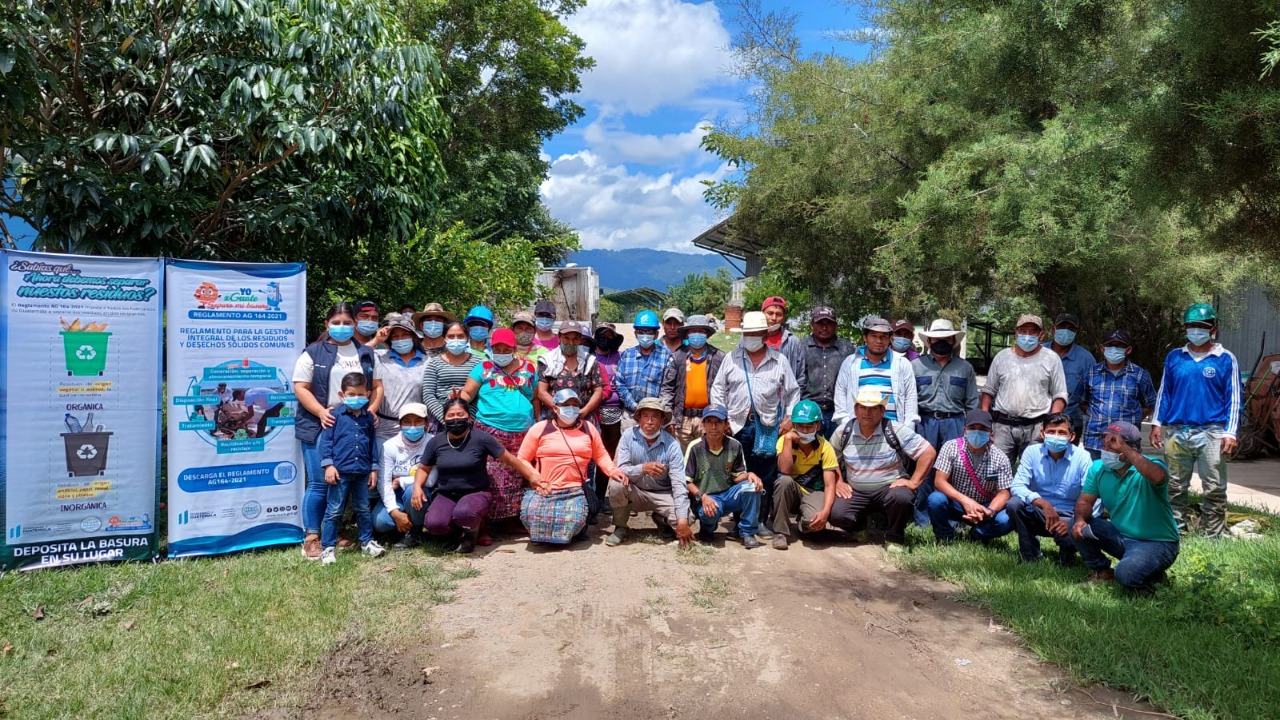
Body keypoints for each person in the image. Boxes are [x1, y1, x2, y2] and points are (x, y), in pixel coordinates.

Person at [293, 302, 385, 560]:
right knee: (321, 481)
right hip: (320, 422)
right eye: (337, 322)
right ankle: (312, 537)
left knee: (345, 481)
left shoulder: (366, 353)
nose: (342, 327)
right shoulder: (312, 352)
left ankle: (333, 533)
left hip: (355, 422)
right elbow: (301, 387)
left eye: (347, 322)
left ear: (354, 324)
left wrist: (371, 411)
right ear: (327, 324)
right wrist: (321, 412)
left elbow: (376, 387)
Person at [1150, 303, 1242, 537]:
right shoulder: (1175, 357)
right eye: (1192, 326)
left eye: (1203, 326)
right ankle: (1175, 533)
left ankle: (1212, 535)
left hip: (1212, 432)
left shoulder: (1225, 359)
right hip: (1178, 432)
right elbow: (1165, 392)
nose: (1197, 331)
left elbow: (1234, 398)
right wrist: (1157, 423)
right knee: (1174, 487)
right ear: (1185, 328)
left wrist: (1230, 432)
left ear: (1214, 328)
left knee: (1214, 488)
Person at [710, 310, 801, 539]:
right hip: (737, 426)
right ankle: (740, 522)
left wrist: (789, 418)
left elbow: (792, 391)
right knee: (739, 474)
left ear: (764, 334)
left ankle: (760, 520)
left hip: (768, 426)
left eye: (755, 333)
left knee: (766, 476)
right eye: (747, 333)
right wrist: (722, 419)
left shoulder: (779, 360)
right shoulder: (732, 358)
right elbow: (719, 389)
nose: (751, 337)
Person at [412, 398, 541, 553]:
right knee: (434, 524)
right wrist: (417, 487)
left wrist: (532, 476)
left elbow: (510, 459)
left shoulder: (481, 438)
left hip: (476, 492)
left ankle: (470, 534)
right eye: (451, 415)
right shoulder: (436, 442)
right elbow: (424, 468)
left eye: (460, 414)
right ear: (444, 419)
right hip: (446, 494)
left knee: (465, 513)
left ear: (469, 417)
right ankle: (454, 533)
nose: (455, 419)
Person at [1073, 421, 1178, 590]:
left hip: (1158, 543)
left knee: (1126, 575)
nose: (1105, 450)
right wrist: (1079, 520)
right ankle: (1102, 572)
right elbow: (1085, 501)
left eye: (1113, 445)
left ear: (1130, 448)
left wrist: (1127, 450)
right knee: (1076, 523)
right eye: (1104, 444)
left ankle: (1152, 576)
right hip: (1121, 537)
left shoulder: (1151, 465)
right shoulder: (1098, 468)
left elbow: (1158, 477)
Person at [829, 388, 935, 549]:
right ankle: (859, 528)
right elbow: (830, 459)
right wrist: (839, 481)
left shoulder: (895, 429)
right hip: (855, 490)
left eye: (873, 408)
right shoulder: (843, 432)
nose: (867, 412)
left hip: (889, 488)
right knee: (835, 513)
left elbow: (928, 453)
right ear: (855, 410)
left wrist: (913, 482)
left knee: (902, 498)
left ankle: (895, 538)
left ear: (882, 411)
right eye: (863, 407)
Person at [518, 389, 627, 544]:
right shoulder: (540, 428)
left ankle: (574, 531)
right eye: (566, 404)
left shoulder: (589, 428)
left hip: (575, 490)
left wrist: (613, 471)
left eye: (574, 405)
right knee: (530, 516)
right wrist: (534, 478)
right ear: (555, 408)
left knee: (574, 521)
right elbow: (522, 458)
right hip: (545, 489)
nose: (571, 408)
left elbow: (601, 455)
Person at [459, 327, 540, 532]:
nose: (501, 352)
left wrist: (538, 424)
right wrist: (459, 404)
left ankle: (513, 521)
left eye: (506, 348)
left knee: (518, 476)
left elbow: (536, 397)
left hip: (523, 432)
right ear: (491, 348)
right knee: (491, 477)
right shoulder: (483, 368)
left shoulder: (529, 369)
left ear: (514, 348)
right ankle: (485, 525)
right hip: (490, 431)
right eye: (497, 348)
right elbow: (468, 392)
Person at [911, 318, 980, 526]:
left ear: (952, 340)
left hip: (955, 423)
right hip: (925, 421)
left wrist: (973, 428)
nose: (941, 342)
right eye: (936, 339)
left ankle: (954, 520)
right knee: (924, 468)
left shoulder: (965, 368)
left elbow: (972, 403)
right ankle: (922, 520)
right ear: (929, 341)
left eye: (946, 338)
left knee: (955, 469)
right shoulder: (915, 366)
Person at [317, 372, 386, 565]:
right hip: (340, 472)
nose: (356, 399)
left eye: (360, 394)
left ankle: (367, 543)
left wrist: (373, 467)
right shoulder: (334, 416)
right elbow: (326, 443)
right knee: (334, 510)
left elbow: (372, 443)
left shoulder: (368, 418)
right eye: (351, 394)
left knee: (363, 508)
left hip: (362, 471)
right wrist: (328, 465)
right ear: (342, 395)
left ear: (368, 394)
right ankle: (328, 548)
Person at [980, 313, 1067, 464]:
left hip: (1036, 427)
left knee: (1034, 471)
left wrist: (1051, 426)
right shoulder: (1002, 357)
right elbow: (989, 391)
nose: (1027, 335)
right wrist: (984, 421)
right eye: (1023, 330)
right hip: (1003, 426)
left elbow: (1059, 395)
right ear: (1016, 333)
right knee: (995, 470)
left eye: (1033, 331)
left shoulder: (1051, 359)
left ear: (1041, 335)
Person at [606, 398, 693, 547]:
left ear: (662, 420)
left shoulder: (672, 444)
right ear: (639, 418)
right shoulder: (628, 436)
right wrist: (642, 469)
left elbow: (679, 482)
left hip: (662, 494)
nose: (650, 421)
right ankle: (620, 527)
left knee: (688, 518)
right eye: (645, 416)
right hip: (635, 491)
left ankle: (661, 519)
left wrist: (683, 521)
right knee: (616, 484)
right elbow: (620, 468)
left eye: (655, 417)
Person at [1008, 413, 1094, 563]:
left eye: (1062, 433)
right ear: (1042, 433)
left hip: (1069, 516)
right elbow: (1017, 485)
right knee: (1014, 504)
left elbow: (1094, 495)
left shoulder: (1082, 457)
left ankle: (1067, 554)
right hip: (1041, 513)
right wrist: (1043, 503)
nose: (1056, 436)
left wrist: (1076, 521)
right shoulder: (1032, 452)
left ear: (1072, 436)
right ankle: (1030, 556)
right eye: (1051, 432)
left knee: (1070, 539)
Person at [927, 409, 1015, 543]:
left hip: (984, 507)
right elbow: (939, 482)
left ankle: (979, 534)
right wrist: (966, 501)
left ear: (991, 433)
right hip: (957, 503)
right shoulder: (950, 447)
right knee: (935, 499)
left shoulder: (1000, 458)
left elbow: (1004, 492)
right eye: (972, 428)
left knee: (1006, 520)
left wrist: (990, 511)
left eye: (983, 429)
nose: (977, 432)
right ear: (964, 430)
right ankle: (944, 537)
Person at [684, 404, 764, 548]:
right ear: (703, 425)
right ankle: (707, 530)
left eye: (718, 422)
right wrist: (703, 497)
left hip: (728, 494)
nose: (714, 426)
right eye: (709, 422)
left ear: (726, 424)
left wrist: (749, 475)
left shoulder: (735, 445)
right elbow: (687, 481)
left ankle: (747, 532)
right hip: (707, 497)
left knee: (752, 487)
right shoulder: (695, 447)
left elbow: (736, 476)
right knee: (709, 514)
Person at [769, 400, 839, 550]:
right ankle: (780, 532)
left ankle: (804, 522)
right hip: (792, 491)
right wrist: (788, 440)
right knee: (783, 481)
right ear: (794, 426)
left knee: (814, 526)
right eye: (801, 426)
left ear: (818, 426)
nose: (805, 431)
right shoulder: (784, 441)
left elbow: (829, 484)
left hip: (813, 492)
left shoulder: (825, 447)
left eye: (809, 427)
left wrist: (825, 511)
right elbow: (784, 470)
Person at [1077, 329, 1156, 460]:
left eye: (1119, 346)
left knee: (1125, 478)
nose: (1114, 349)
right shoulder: (1090, 374)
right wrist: (1096, 415)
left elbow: (1150, 404)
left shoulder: (1140, 375)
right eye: (1110, 345)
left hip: (1127, 443)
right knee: (1095, 476)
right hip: (1095, 442)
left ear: (1128, 350)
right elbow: (1083, 402)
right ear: (1103, 349)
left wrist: (1133, 418)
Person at [833, 316, 919, 429]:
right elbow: (840, 393)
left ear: (890, 339)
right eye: (874, 336)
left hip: (894, 429)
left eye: (883, 337)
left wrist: (907, 428)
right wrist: (846, 424)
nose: (879, 341)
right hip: (858, 430)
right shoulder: (850, 363)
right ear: (865, 337)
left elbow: (910, 397)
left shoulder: (902, 364)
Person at [659, 314, 725, 449]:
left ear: (707, 333)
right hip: (682, 420)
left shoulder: (718, 357)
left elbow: (726, 389)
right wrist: (668, 417)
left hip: (708, 419)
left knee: (707, 459)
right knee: (683, 462)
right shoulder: (677, 357)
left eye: (701, 331)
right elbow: (667, 388)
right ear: (687, 333)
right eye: (693, 331)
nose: (697, 334)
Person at [375, 403, 432, 549]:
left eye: (418, 421)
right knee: (380, 522)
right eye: (407, 422)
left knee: (412, 490)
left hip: (422, 492)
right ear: (400, 424)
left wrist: (401, 481)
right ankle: (403, 524)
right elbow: (384, 482)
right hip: (397, 495)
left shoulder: (433, 442)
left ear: (426, 423)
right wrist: (394, 512)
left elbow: (431, 480)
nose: (412, 426)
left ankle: (415, 531)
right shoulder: (389, 446)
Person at [802, 306, 856, 438]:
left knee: (836, 454)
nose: (824, 328)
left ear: (836, 325)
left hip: (837, 413)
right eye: (820, 323)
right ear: (812, 325)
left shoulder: (847, 348)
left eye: (829, 323)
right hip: (808, 412)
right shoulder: (801, 347)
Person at [536, 321, 604, 425]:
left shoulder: (590, 361)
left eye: (575, 339)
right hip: (554, 419)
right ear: (559, 337)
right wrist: (558, 410)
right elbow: (542, 392)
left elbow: (598, 391)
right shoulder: (547, 360)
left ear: (580, 340)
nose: (571, 343)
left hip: (583, 418)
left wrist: (585, 410)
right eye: (566, 338)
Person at [613, 310, 672, 428]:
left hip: (656, 416)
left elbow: (668, 386)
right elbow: (620, 383)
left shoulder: (666, 356)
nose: (645, 335)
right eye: (641, 331)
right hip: (631, 416)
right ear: (636, 333)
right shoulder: (627, 355)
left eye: (649, 331)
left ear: (656, 334)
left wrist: (656, 407)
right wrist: (634, 405)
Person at [375, 314, 428, 441]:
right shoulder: (379, 357)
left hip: (416, 429)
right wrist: (376, 340)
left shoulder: (428, 362)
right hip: (383, 430)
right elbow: (357, 356)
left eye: (405, 335)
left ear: (413, 336)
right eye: (395, 336)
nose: (400, 339)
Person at [1045, 313, 1095, 438]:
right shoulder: (1040, 351)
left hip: (1070, 422)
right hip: (1036, 419)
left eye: (1071, 329)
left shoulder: (1086, 359)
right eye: (1062, 327)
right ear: (1053, 329)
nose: (1066, 331)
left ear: (1076, 332)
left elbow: (1092, 393)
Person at [421, 321, 479, 430]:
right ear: (444, 339)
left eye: (460, 336)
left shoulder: (478, 363)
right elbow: (428, 395)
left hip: (470, 422)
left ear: (467, 338)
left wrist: (468, 418)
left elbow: (481, 394)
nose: (456, 339)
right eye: (451, 336)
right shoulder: (434, 363)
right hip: (440, 423)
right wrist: (446, 419)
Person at [761, 296, 808, 392]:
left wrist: (794, 399)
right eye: (770, 313)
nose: (774, 318)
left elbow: (800, 375)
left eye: (778, 314)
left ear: (784, 318)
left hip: (785, 401)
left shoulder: (792, 342)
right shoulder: (749, 339)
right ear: (762, 314)